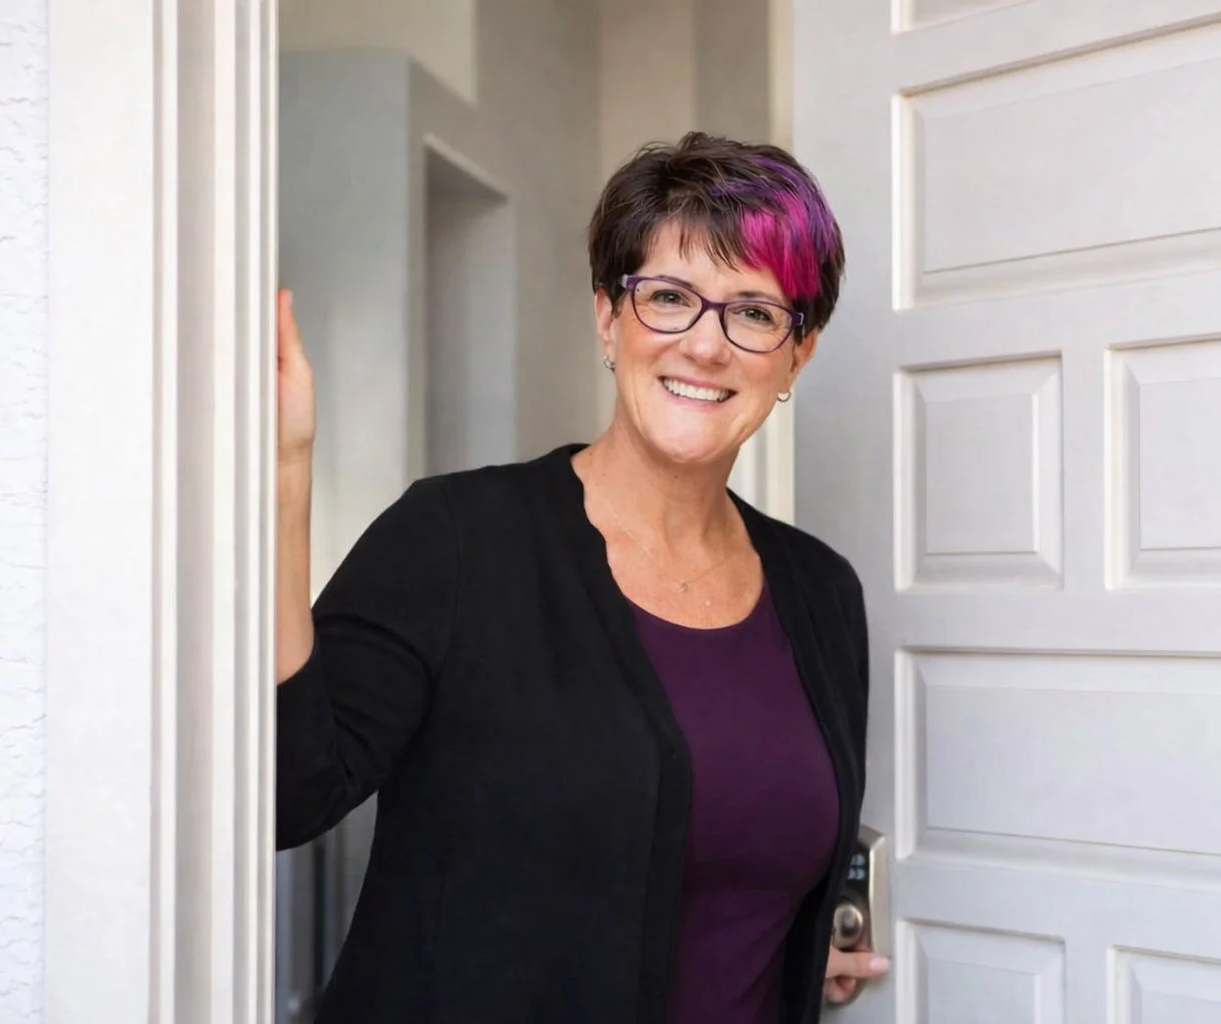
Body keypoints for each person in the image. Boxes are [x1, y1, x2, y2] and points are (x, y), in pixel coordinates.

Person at [275, 132, 887, 1023]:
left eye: (753, 312)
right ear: (608, 315)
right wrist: (285, 475)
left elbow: (728, 868)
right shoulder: (456, 539)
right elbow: (290, 793)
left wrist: (793, 941)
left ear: (798, 351)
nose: (707, 345)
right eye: (669, 297)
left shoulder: (823, 592)